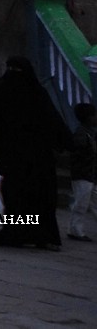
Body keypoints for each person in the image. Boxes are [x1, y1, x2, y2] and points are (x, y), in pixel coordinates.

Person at [0, 56, 64, 249]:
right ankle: (42, 236)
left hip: (9, 158)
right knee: (39, 197)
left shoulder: (0, 93)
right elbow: (53, 123)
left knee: (10, 197)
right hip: (38, 158)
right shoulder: (37, 94)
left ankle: (8, 234)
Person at [68, 101, 95, 243]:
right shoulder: (82, 134)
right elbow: (80, 155)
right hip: (83, 173)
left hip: (87, 173)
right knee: (81, 203)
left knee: (84, 201)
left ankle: (76, 229)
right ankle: (75, 230)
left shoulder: (87, 132)